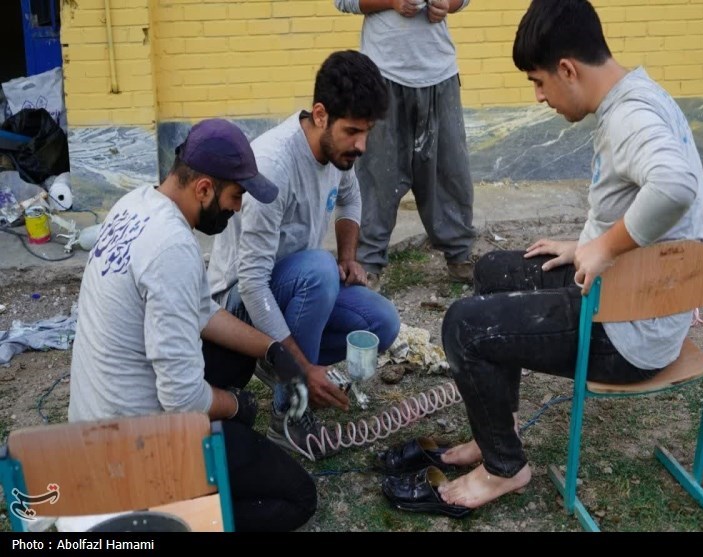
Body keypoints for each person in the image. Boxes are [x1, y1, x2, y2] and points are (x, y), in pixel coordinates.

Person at [436, 0, 703, 510]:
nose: (540, 97)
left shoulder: (628, 117)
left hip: (628, 333)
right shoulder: (639, 95)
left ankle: (504, 469)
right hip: (633, 297)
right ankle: (500, 427)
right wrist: (586, 245)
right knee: (494, 270)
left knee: (464, 326)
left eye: (539, 82)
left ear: (567, 69)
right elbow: (641, 204)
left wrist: (602, 247)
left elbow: (676, 186)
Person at [68, 119, 317, 532]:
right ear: (203, 189)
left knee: (236, 347)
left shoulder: (135, 204)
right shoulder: (173, 249)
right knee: (296, 497)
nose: (239, 208)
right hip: (136, 447)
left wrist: (274, 351)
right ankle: (169, 516)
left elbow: (203, 312)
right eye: (236, 196)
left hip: (96, 425)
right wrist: (240, 405)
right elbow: (182, 400)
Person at [205, 50, 401, 459]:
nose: (361, 145)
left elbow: (350, 197)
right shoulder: (275, 164)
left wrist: (348, 255)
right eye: (353, 131)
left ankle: (283, 365)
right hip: (237, 303)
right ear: (320, 114)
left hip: (291, 293)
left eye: (368, 132)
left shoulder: (338, 153)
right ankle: (289, 410)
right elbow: (254, 282)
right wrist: (300, 367)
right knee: (317, 270)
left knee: (381, 322)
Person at [333, 0, 477, 289]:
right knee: (375, 177)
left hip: (440, 73)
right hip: (383, 74)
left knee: (450, 172)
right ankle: (367, 263)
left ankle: (460, 256)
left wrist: (448, 4)